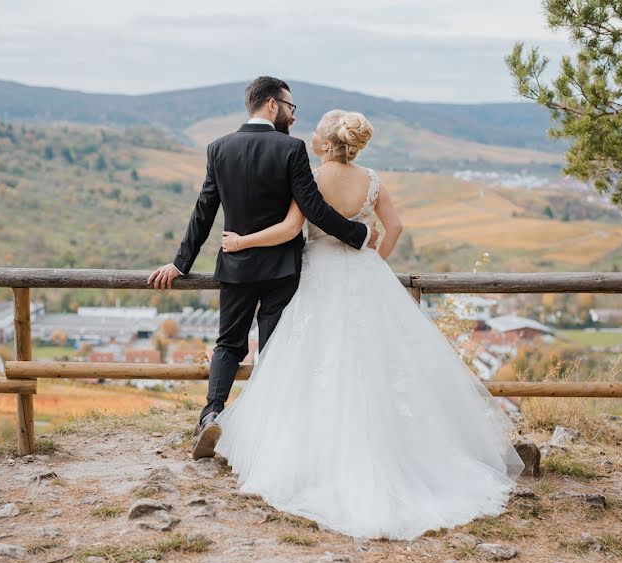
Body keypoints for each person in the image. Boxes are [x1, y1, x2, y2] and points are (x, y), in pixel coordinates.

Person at [212, 109, 524, 540]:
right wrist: (374, 262)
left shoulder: (312, 177)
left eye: (317, 132)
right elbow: (394, 226)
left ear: (325, 142)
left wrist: (242, 241)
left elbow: (289, 229)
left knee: (315, 362)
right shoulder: (372, 179)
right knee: (380, 364)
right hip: (365, 275)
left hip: (319, 275)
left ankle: (309, 456)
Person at [147, 77, 378, 460]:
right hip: (282, 268)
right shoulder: (291, 149)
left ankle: (212, 413)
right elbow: (313, 208)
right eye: (290, 107)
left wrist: (180, 263)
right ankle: (268, 430)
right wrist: (358, 234)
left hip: (235, 266)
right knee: (273, 349)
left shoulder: (218, 148)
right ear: (273, 105)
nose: (292, 114)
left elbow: (204, 211)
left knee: (229, 343)